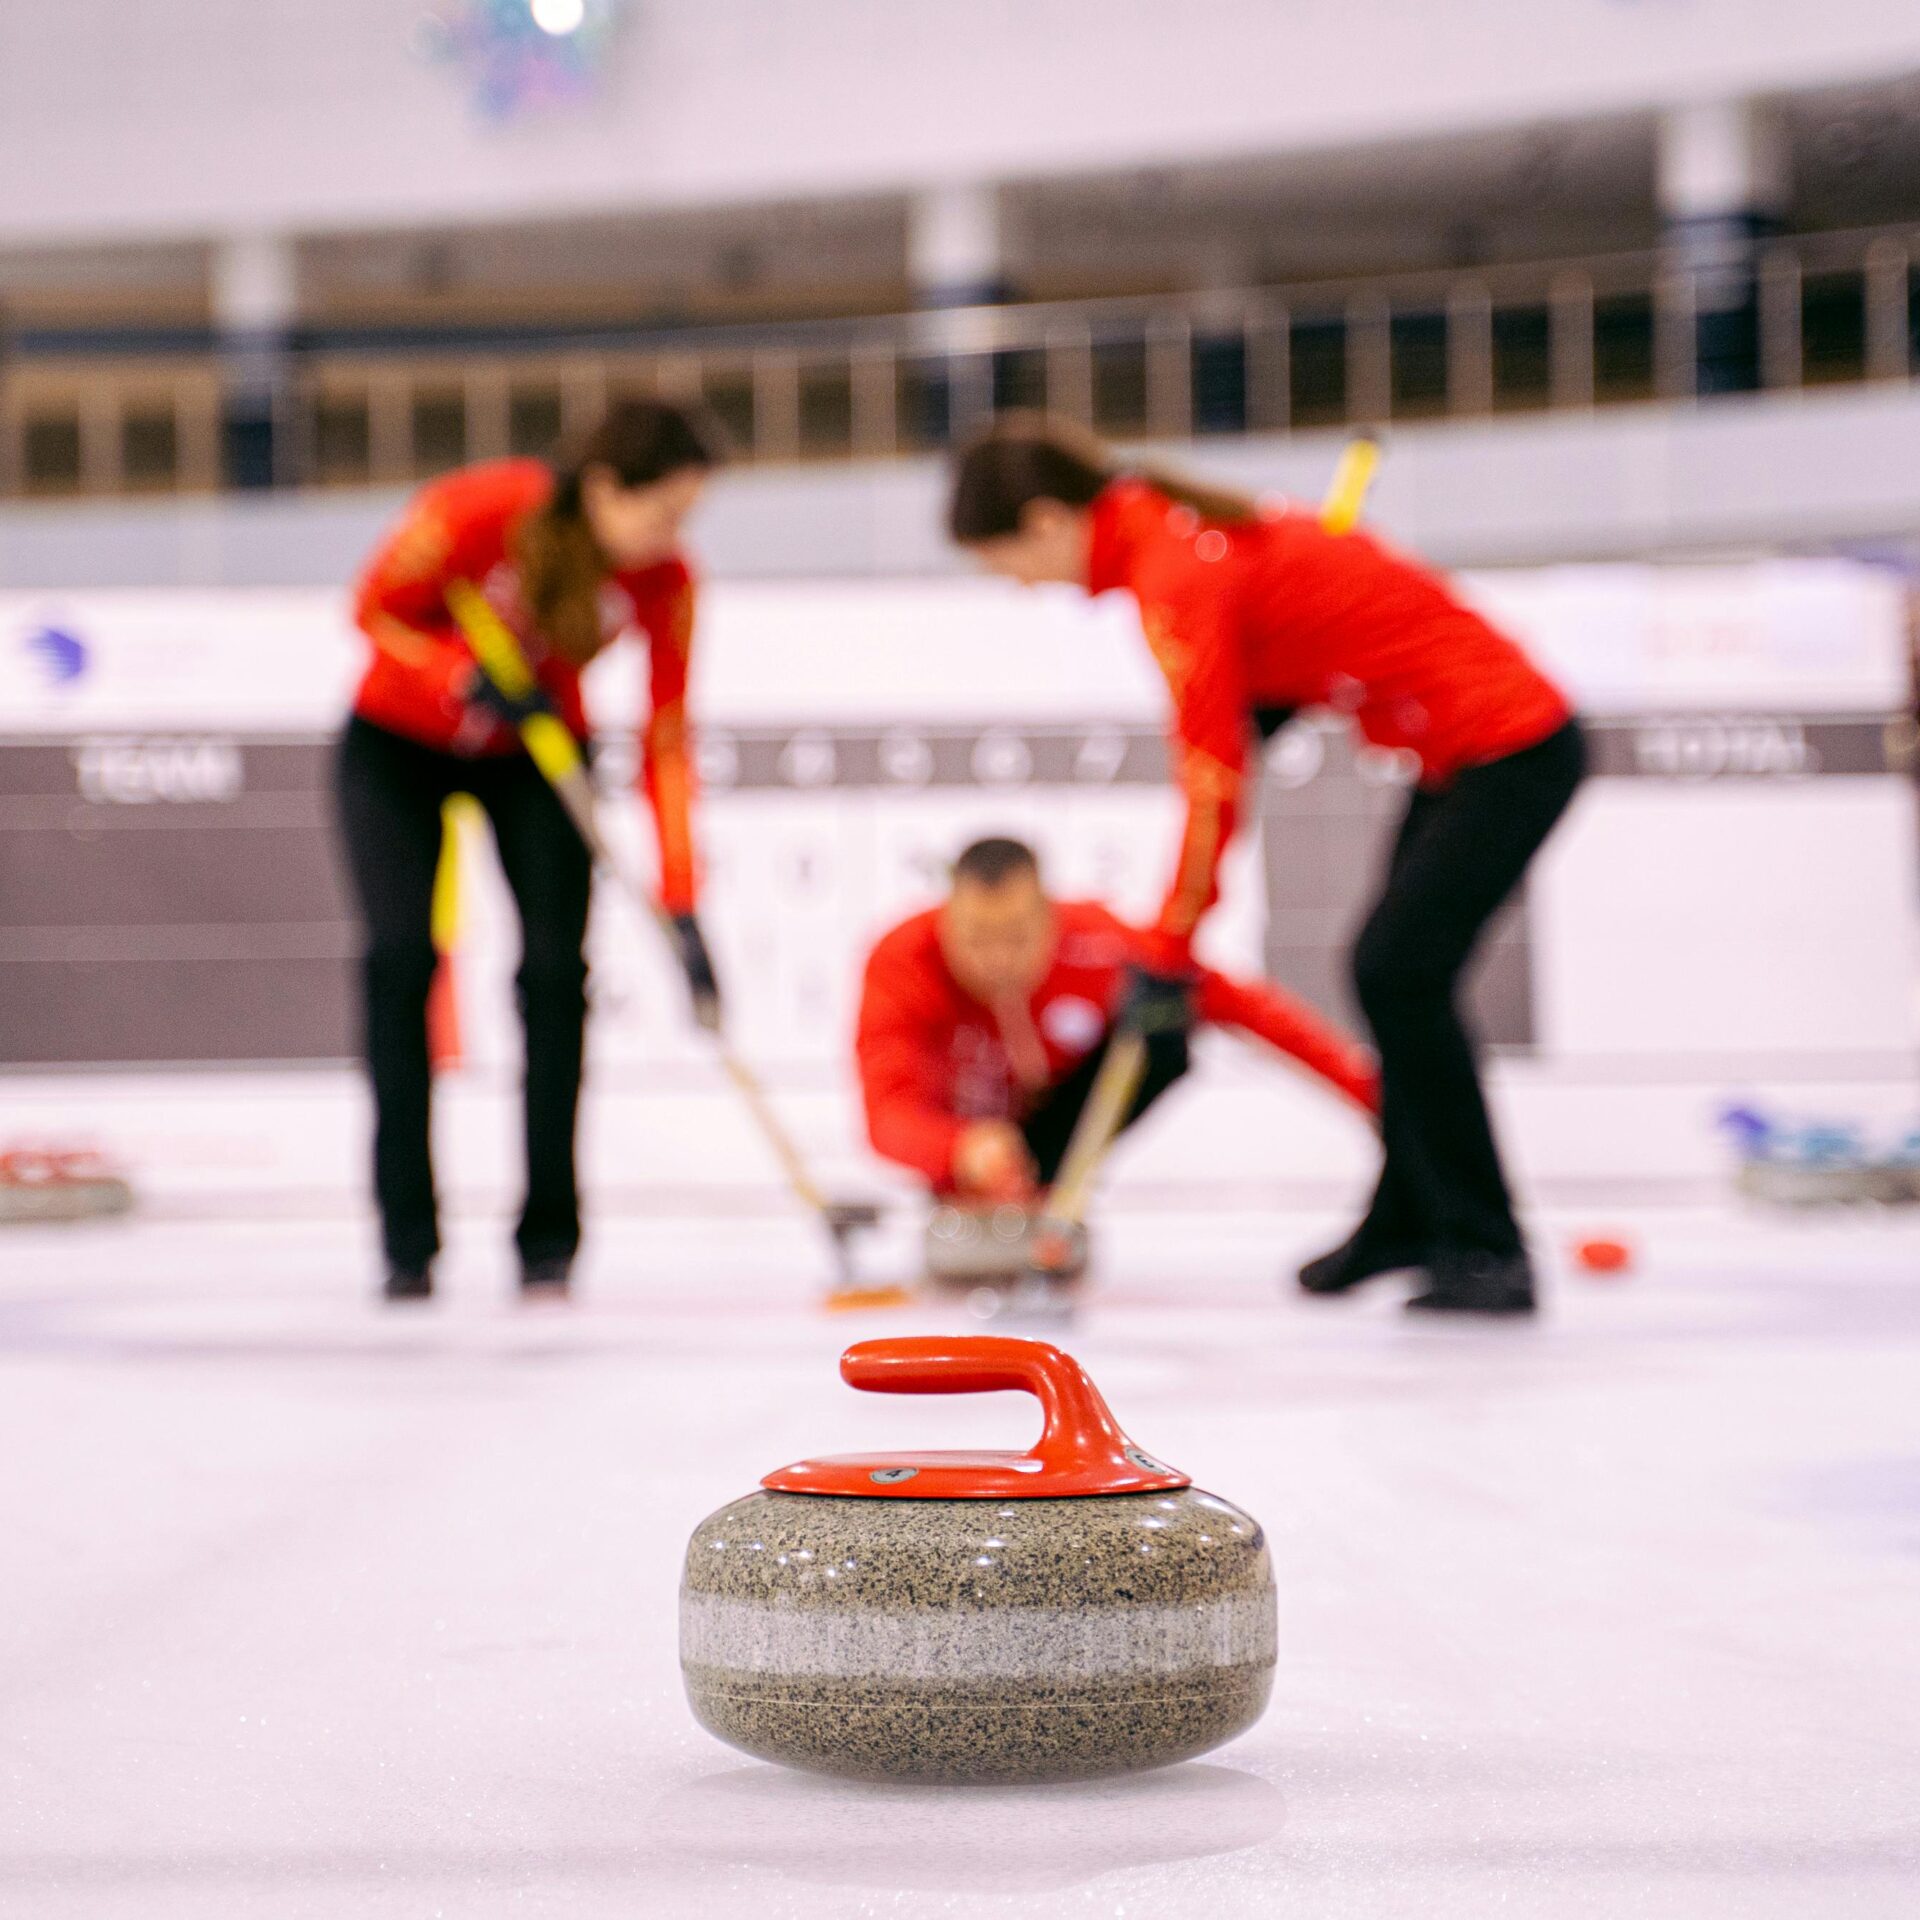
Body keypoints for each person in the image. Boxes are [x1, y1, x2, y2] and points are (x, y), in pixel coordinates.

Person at [946, 416, 1584, 1314]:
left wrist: (1170, 944)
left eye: (1004, 560)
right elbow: (1279, 671)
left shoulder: (1172, 570)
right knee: (1391, 974)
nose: (1018, 585)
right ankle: (1410, 1217)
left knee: (1398, 973)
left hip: (1513, 748)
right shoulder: (1171, 538)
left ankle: (1485, 1246)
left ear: (1047, 521)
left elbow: (1212, 784)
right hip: (1457, 755)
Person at [336, 399, 724, 1303]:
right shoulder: (481, 509)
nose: (670, 535)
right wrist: (456, 679)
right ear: (603, 488)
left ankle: (549, 1239)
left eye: (684, 518)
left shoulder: (667, 581)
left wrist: (682, 897)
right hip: (396, 748)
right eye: (660, 511)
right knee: (399, 961)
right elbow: (372, 611)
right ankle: (406, 1239)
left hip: (539, 755)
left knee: (555, 979)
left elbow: (669, 737)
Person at [856, 837, 1378, 1204]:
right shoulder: (901, 959)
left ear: (1049, 918)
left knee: (1163, 1020)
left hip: (1054, 1129)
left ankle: (1047, 1187)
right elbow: (886, 1114)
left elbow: (1244, 1006)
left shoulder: (1096, 942)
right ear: (946, 918)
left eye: (1015, 938)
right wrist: (959, 1149)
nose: (996, 959)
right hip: (957, 1141)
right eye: (975, 938)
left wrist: (1374, 1094)